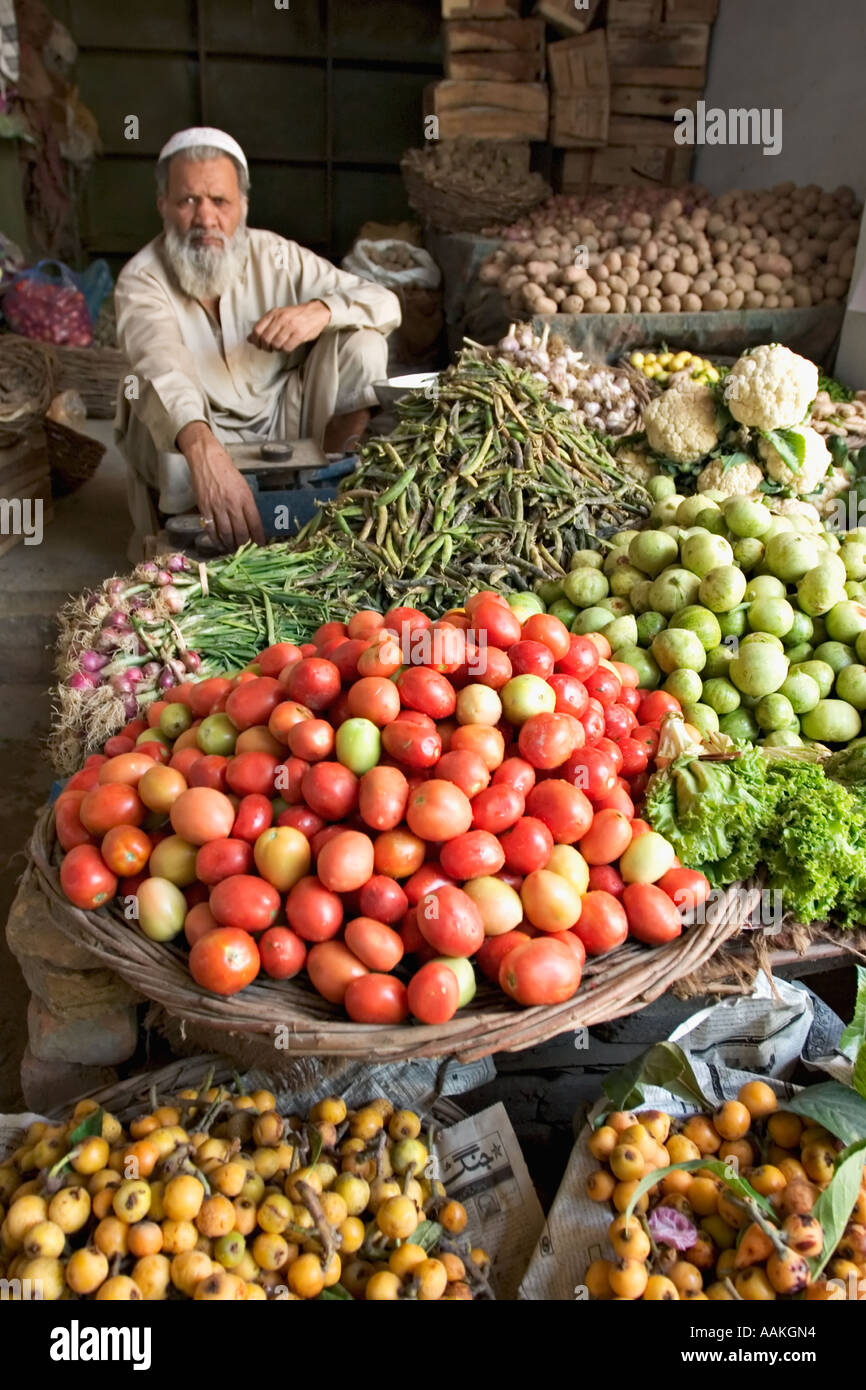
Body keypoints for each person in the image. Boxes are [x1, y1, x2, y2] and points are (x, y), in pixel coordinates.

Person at [115, 126, 401, 555]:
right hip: (197, 430)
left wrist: (319, 311)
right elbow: (160, 364)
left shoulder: (278, 257)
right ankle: (189, 537)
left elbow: (383, 301)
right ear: (163, 206)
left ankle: (330, 489)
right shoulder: (142, 278)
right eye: (188, 200)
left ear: (243, 207)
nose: (205, 218)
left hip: (284, 419)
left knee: (363, 341)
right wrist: (204, 451)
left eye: (220, 201)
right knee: (152, 398)